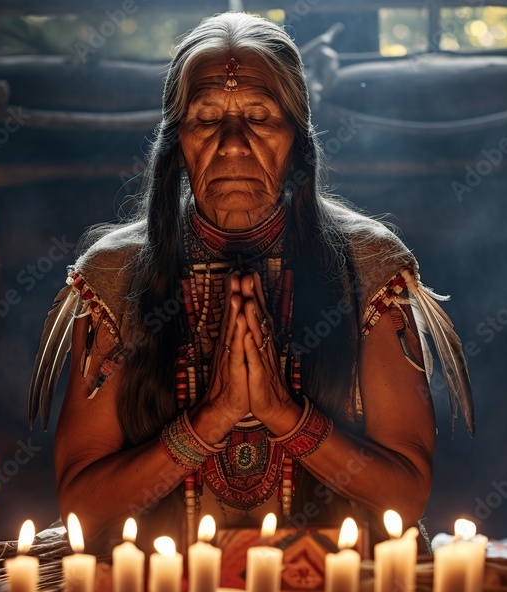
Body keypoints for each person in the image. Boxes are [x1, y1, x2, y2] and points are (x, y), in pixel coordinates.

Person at [29, 12, 474, 556]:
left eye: (260, 118)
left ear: (298, 144)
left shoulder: (368, 265)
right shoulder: (115, 275)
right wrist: (208, 421)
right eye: (207, 118)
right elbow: (83, 508)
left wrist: (285, 414)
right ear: (177, 145)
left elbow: (403, 501)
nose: (233, 144)